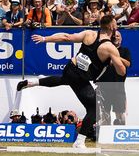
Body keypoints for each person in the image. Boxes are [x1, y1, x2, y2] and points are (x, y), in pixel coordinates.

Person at [19, 13, 124, 143]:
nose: (117, 26)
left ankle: (31, 82)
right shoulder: (110, 47)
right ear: (111, 27)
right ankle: (79, 142)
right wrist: (118, 62)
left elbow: (66, 37)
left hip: (70, 69)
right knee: (94, 110)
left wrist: (45, 38)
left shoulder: (89, 34)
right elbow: (121, 70)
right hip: (81, 77)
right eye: (116, 24)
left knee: (64, 80)